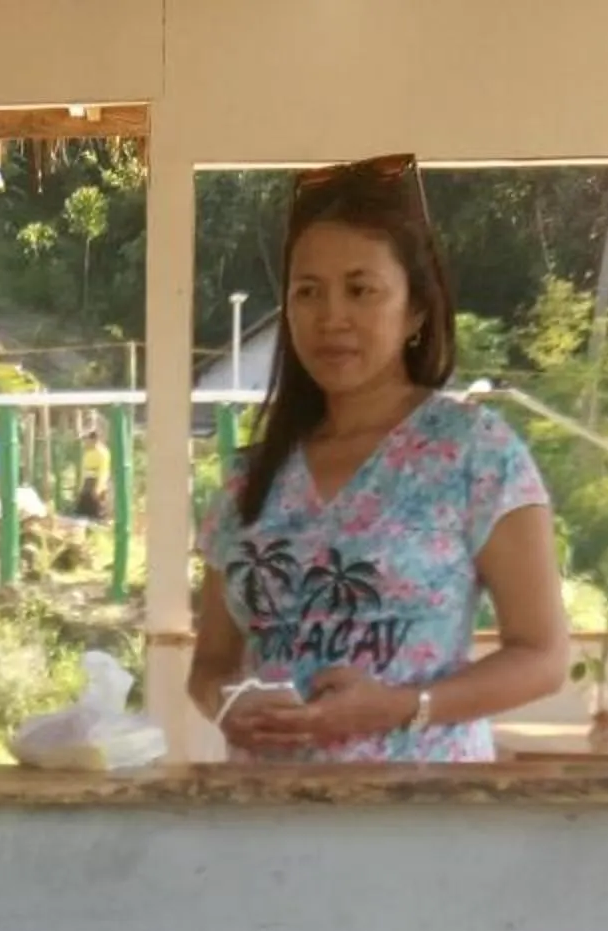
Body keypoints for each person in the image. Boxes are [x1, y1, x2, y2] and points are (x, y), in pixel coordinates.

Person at [189, 154, 571, 761]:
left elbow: (545, 657)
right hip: (267, 828)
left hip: (422, 826)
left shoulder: (474, 452)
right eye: (307, 292)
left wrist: (404, 706)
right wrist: (229, 702)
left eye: (361, 290)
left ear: (415, 310)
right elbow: (209, 665)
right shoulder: (248, 478)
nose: (331, 317)